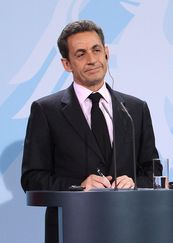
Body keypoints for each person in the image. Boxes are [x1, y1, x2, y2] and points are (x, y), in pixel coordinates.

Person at [21, 20, 160, 243]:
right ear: (67, 64)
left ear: (106, 53)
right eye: (81, 54)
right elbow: (32, 179)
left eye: (96, 50)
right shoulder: (46, 110)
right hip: (72, 228)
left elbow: (153, 171)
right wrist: (78, 186)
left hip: (130, 228)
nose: (92, 60)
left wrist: (133, 183)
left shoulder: (135, 108)